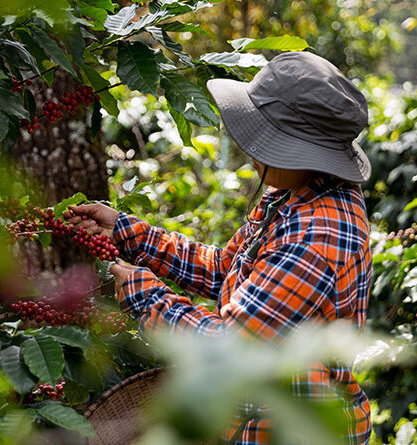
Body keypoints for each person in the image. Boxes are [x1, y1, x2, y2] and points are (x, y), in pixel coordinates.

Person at [65, 51, 373, 444]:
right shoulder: (293, 196)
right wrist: (131, 234)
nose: (253, 151)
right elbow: (226, 269)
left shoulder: (316, 235)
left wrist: (148, 298)